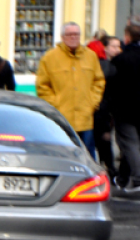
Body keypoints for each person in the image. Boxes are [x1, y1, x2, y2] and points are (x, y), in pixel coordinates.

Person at [36, 22, 105, 158]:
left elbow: (99, 81)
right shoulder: (50, 58)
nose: (74, 37)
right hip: (62, 119)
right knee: (63, 156)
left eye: (76, 34)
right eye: (70, 34)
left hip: (85, 119)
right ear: (62, 37)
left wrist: (92, 102)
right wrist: (56, 104)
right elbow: (42, 86)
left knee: (87, 156)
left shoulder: (90, 56)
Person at [111, 24, 140, 193]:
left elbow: (113, 86)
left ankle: (137, 179)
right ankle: (123, 178)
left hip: (125, 110)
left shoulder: (121, 60)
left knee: (129, 144)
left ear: (127, 38)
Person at [95, 35, 124, 183]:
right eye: (114, 46)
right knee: (104, 142)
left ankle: (110, 170)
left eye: (119, 46)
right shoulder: (104, 66)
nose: (117, 50)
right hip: (102, 110)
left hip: (107, 110)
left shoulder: (116, 64)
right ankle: (110, 171)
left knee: (105, 143)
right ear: (105, 48)